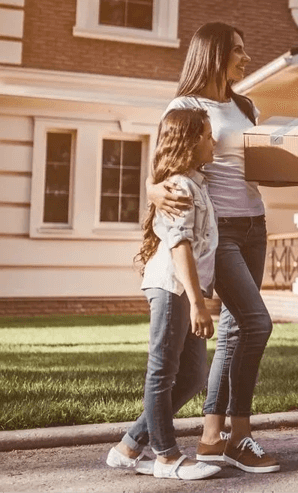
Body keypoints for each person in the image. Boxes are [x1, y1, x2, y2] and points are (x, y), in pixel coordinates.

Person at [148, 22, 294, 474]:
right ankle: (239, 435)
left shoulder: (245, 104)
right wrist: (153, 193)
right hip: (221, 230)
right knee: (257, 324)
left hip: (255, 224)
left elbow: (253, 168)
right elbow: (165, 166)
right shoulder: (186, 105)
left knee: (235, 331)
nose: (245, 58)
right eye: (238, 50)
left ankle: (212, 437)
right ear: (213, 53)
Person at [106, 107, 222, 481]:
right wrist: (198, 302)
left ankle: (128, 447)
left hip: (183, 289)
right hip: (172, 287)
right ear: (190, 142)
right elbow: (179, 246)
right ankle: (166, 456)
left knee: (192, 376)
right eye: (207, 135)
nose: (214, 142)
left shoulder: (196, 181)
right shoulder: (179, 187)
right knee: (163, 372)